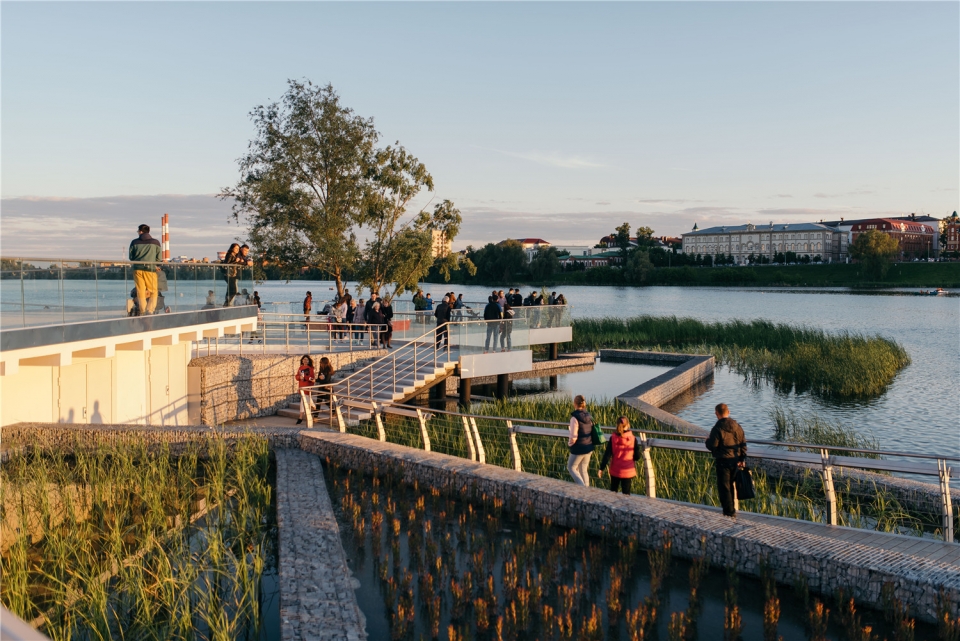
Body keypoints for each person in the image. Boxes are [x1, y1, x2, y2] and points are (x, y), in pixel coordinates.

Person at [705, 403, 747, 519]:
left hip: (723, 461)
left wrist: (707, 441)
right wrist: (742, 458)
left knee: (725, 488)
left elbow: (713, 445)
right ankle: (732, 510)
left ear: (716, 413)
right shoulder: (737, 426)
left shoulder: (717, 428)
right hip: (736, 461)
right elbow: (743, 443)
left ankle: (729, 512)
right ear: (728, 412)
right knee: (733, 486)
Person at [598, 417, 638, 495]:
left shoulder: (613, 438)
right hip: (627, 470)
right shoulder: (633, 439)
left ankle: (613, 506)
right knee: (626, 494)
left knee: (613, 492)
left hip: (615, 469)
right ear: (628, 425)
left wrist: (601, 468)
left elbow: (607, 454)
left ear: (617, 425)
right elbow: (637, 456)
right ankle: (625, 507)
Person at [129, 224, 161, 316]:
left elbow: (131, 257)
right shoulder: (156, 242)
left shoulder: (134, 242)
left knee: (141, 291)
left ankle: (143, 311)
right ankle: (150, 310)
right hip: (150, 269)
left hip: (137, 269)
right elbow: (158, 258)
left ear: (141, 231)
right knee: (154, 291)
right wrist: (156, 265)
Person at [567, 395, 596, 487]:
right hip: (589, 446)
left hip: (579, 447)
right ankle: (586, 491)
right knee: (583, 469)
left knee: (571, 468)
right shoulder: (589, 416)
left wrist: (570, 444)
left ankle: (582, 488)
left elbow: (573, 436)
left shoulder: (574, 418)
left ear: (574, 404)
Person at [295, 355, 316, 425]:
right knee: (304, 400)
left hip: (307, 386)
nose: (305, 361)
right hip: (301, 386)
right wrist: (299, 377)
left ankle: (300, 417)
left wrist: (305, 377)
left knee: (303, 401)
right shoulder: (300, 367)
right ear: (302, 360)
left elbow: (312, 378)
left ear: (309, 361)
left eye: (306, 359)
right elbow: (296, 376)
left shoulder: (310, 368)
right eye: (304, 359)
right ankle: (313, 405)